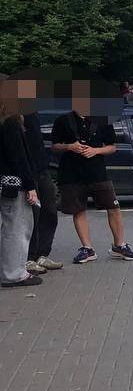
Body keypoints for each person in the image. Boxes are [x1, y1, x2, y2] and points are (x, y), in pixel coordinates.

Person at [49, 82, 133, 264]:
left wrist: (95, 151)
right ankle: (87, 248)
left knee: (113, 207)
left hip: (97, 172)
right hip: (71, 173)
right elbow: (55, 146)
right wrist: (70, 146)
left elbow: (112, 147)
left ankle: (119, 244)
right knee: (78, 209)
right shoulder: (62, 121)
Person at [0, 105, 41, 287]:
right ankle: (14, 273)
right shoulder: (10, 123)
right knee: (17, 227)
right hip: (13, 184)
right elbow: (19, 157)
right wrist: (30, 185)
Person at [23, 109, 61, 273]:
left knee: (50, 211)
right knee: (33, 215)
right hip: (28, 169)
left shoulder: (32, 111)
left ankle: (42, 254)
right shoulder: (15, 113)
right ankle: (28, 258)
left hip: (41, 167)